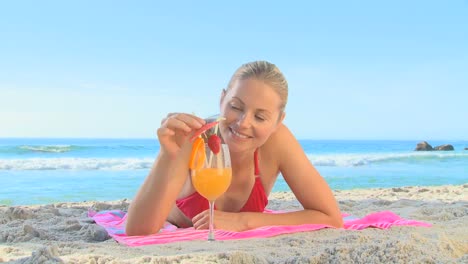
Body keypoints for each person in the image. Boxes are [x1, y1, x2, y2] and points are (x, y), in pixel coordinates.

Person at [126, 61, 343, 236]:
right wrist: (166, 155)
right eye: (235, 107)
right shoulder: (193, 138)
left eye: (260, 116)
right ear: (222, 99)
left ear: (278, 121)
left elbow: (330, 217)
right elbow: (138, 231)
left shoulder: (278, 141)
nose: (243, 122)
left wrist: (243, 221)